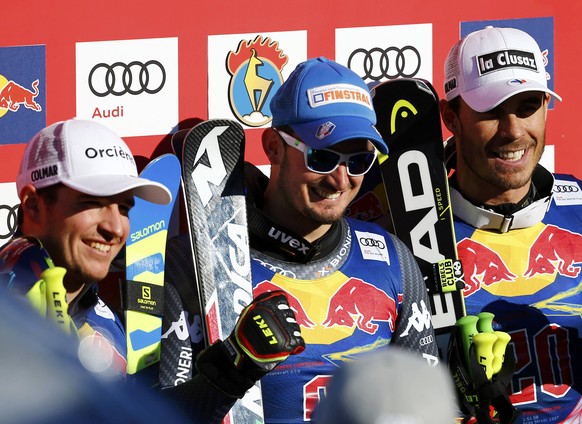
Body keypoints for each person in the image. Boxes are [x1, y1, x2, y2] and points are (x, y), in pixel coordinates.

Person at [163, 57, 439, 423]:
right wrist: (231, 369)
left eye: (358, 161)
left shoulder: (391, 258)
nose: (340, 181)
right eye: (322, 157)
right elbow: (154, 414)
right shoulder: (198, 259)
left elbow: (426, 410)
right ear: (274, 147)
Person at [440, 26, 582, 422]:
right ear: (452, 117)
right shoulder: (414, 235)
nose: (514, 131)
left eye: (527, 106)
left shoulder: (580, 209)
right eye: (490, 110)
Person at [0, 118, 172, 378]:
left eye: (124, 208)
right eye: (93, 202)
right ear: (33, 205)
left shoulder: (107, 322)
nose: (115, 228)